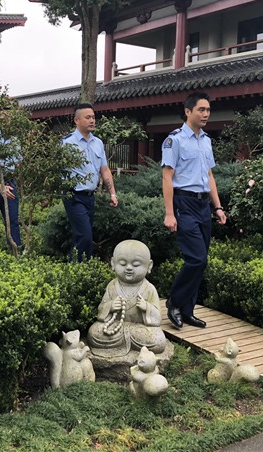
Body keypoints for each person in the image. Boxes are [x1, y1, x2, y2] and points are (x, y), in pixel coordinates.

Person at [162, 92, 227, 329]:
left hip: (202, 205)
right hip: (184, 203)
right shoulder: (175, 140)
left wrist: (217, 207)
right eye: (201, 109)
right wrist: (169, 213)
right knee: (196, 258)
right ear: (188, 111)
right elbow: (167, 177)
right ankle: (175, 301)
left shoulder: (206, 140)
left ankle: (187, 311)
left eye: (208, 110)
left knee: (202, 260)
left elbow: (209, 176)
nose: (206, 114)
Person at [87, 239, 167, 357]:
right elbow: (101, 310)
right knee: (94, 332)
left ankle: (123, 343)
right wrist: (110, 306)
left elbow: (157, 318)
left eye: (136, 265)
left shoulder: (149, 289)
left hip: (140, 330)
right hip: (115, 327)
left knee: (158, 340)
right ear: (113, 263)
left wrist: (147, 307)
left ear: (149, 266)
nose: (129, 268)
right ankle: (127, 344)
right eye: (123, 264)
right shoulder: (112, 286)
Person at [62, 103, 118, 261]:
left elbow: (104, 170)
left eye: (93, 117)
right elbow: (57, 170)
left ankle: (75, 266)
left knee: (81, 235)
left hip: (90, 197)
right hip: (73, 195)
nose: (92, 120)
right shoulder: (67, 143)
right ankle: (81, 267)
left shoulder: (98, 143)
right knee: (85, 235)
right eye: (87, 117)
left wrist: (112, 193)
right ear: (77, 120)